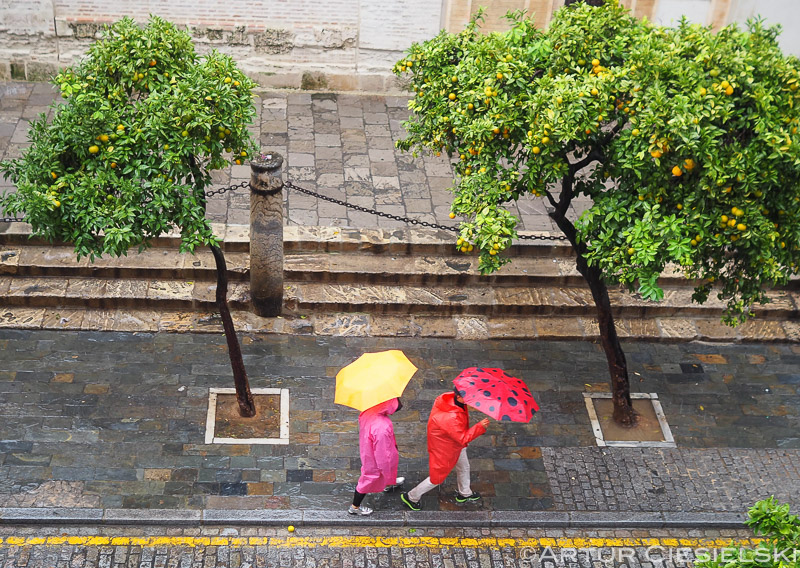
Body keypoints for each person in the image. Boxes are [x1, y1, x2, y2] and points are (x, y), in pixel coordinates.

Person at [401, 387, 490, 511]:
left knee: (464, 467)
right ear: (459, 397)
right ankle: (411, 497)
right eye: (469, 398)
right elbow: (462, 438)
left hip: (453, 445)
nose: (472, 401)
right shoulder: (451, 418)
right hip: (445, 449)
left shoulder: (449, 400)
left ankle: (465, 493)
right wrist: (480, 427)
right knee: (436, 478)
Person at [348, 397, 405, 515]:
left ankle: (388, 483)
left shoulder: (370, 410)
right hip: (375, 458)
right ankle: (355, 507)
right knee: (369, 478)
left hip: (368, 449)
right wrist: (387, 466)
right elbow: (384, 455)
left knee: (372, 475)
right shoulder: (381, 426)